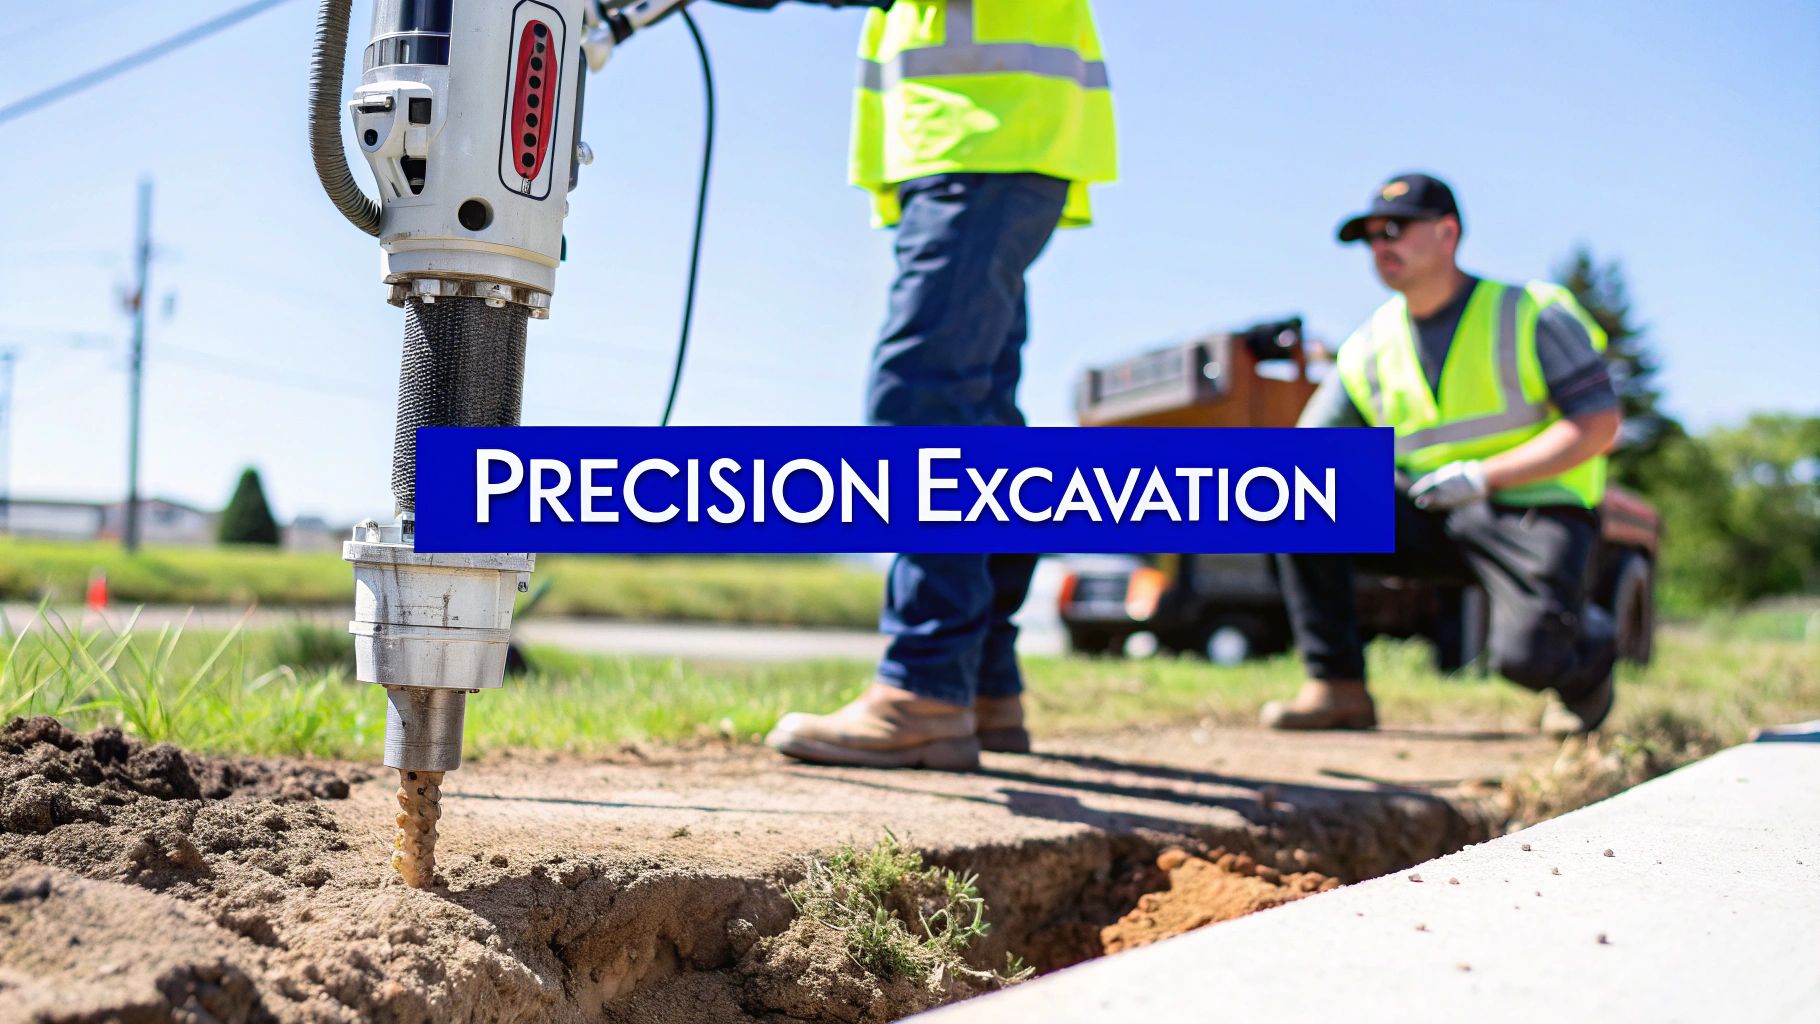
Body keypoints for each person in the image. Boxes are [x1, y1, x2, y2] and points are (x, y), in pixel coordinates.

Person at [738, 0, 1119, 769]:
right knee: (979, 417)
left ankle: (926, 685)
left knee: (921, 399)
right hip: (982, 143)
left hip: (986, 137)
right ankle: (980, 682)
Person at [1265, 173, 1621, 736]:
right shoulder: (1369, 346)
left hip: (1531, 510)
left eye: (1395, 230)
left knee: (1528, 659)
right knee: (1300, 494)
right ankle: (1337, 686)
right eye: (1371, 237)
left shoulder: (1529, 312)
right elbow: (1313, 450)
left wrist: (1485, 476)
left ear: (1447, 232)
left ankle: (1589, 646)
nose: (1380, 246)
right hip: (1427, 513)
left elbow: (1598, 424)